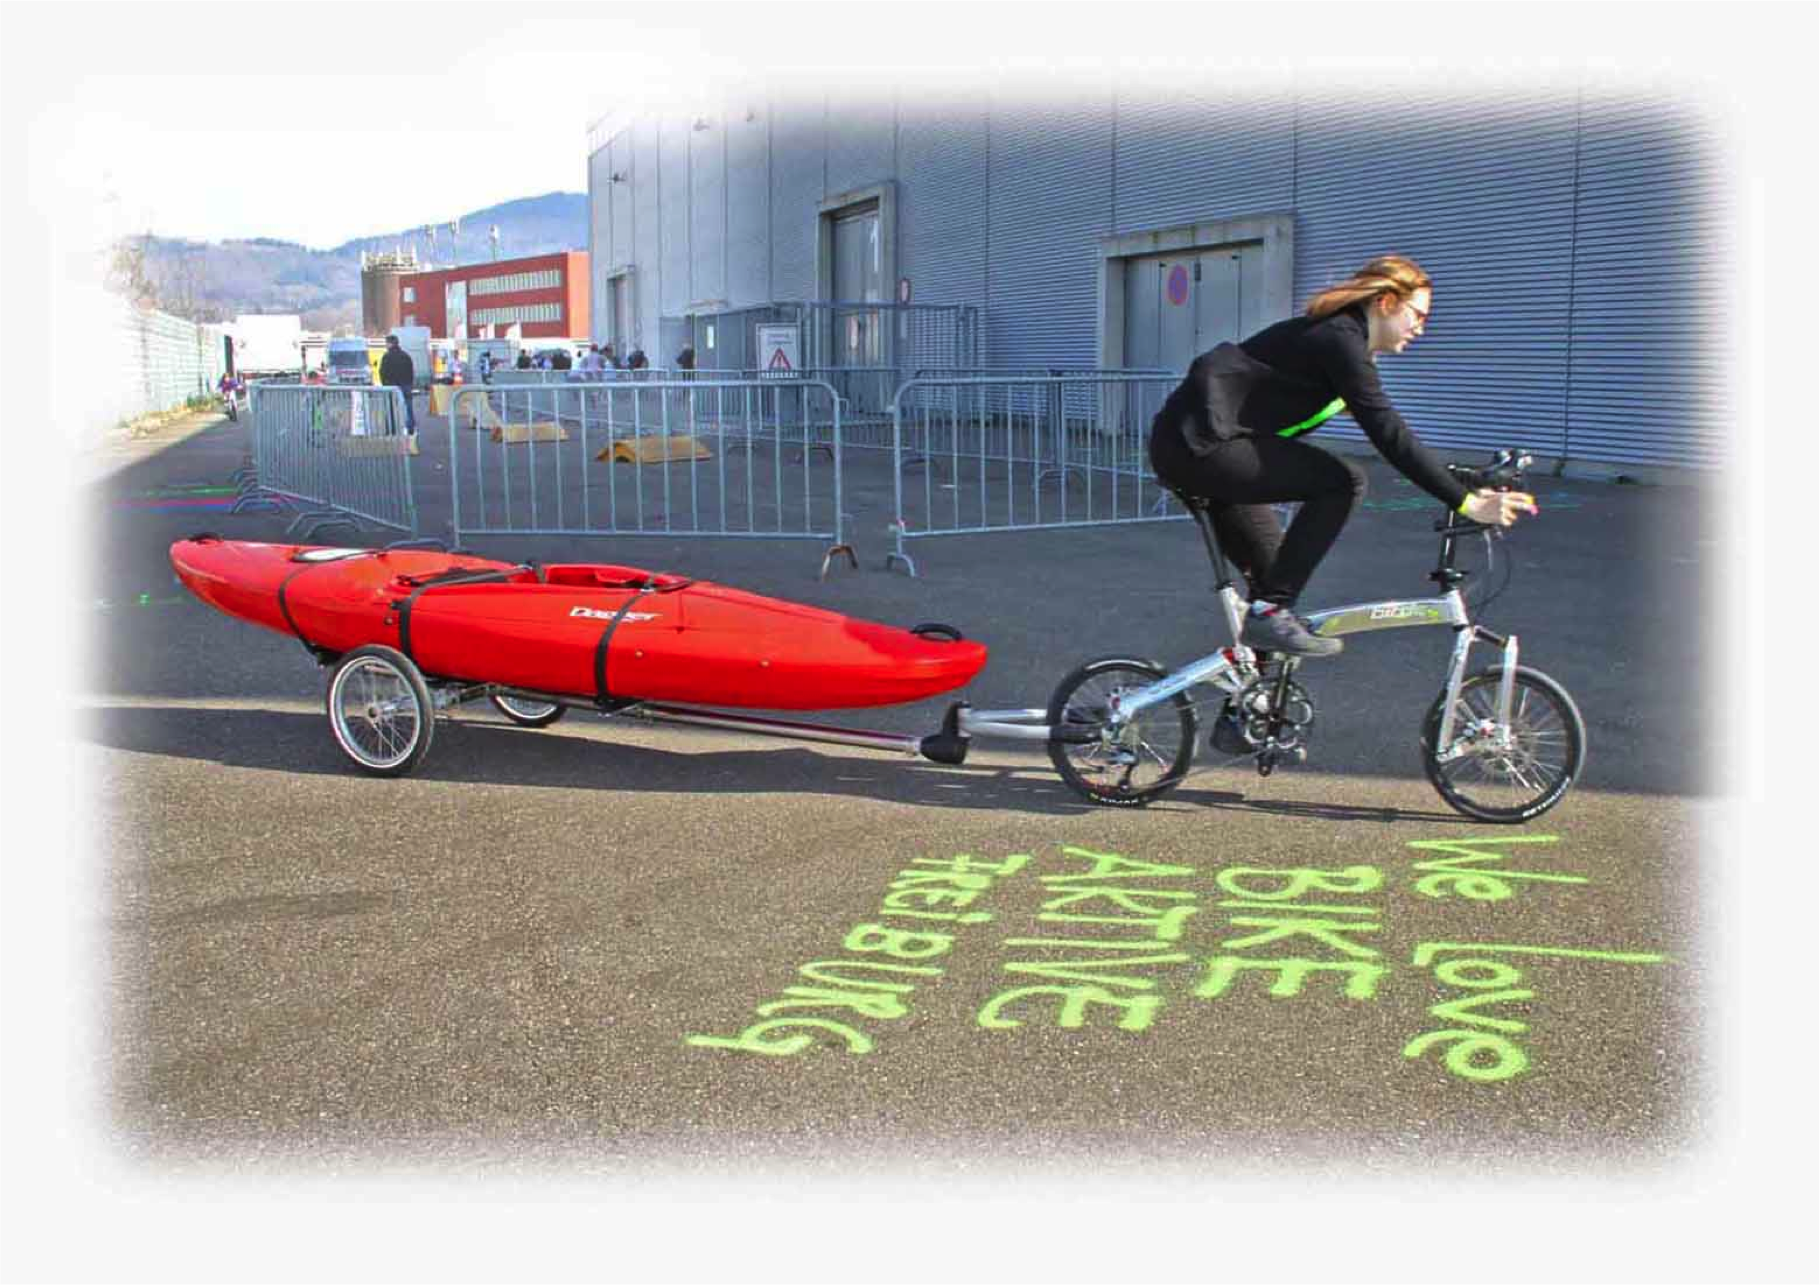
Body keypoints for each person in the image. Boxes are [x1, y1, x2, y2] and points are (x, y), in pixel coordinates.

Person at [1149, 254, 1536, 659]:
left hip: (1204, 445)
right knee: (1342, 482)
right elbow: (1389, 435)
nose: (1421, 329)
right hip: (1197, 445)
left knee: (1275, 577)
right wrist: (1467, 503)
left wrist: (1467, 481)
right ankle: (1269, 613)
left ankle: (1256, 688)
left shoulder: (1346, 345)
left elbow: (1397, 438)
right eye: (1418, 316)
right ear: (1386, 302)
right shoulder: (1339, 339)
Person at [378, 334, 415, 434]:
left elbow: (382, 372)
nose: (386, 345)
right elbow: (411, 372)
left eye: (386, 343)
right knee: (408, 408)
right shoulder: (406, 356)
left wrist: (385, 384)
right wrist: (410, 384)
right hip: (405, 385)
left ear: (390, 343)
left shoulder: (386, 357)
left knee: (390, 409)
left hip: (391, 387)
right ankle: (410, 428)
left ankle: (391, 429)